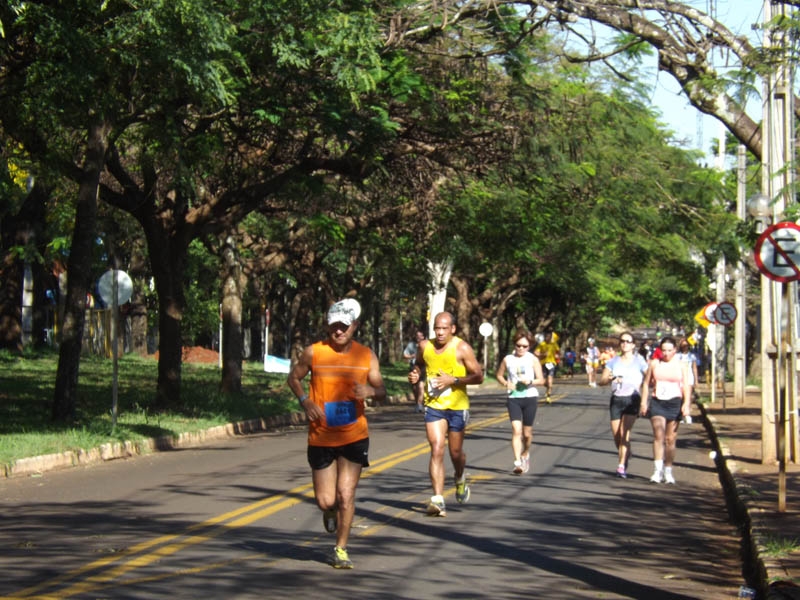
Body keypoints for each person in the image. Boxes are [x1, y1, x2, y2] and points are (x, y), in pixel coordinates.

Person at [286, 298, 386, 569]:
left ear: (355, 326)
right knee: (326, 500)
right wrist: (304, 401)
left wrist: (370, 392)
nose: (338, 331)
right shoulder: (314, 352)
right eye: (334, 326)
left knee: (346, 494)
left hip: (354, 434)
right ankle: (329, 511)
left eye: (344, 326)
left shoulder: (366, 355)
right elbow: (293, 377)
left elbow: (382, 392)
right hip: (321, 436)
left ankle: (341, 548)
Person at [408, 312, 484, 517]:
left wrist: (455, 380)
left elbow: (478, 376)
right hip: (434, 405)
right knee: (437, 448)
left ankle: (460, 478)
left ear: (453, 329)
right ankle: (438, 500)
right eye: (436, 328)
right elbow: (419, 365)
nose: (440, 332)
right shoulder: (425, 346)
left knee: (455, 453)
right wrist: (415, 374)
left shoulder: (462, 348)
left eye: (444, 328)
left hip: (458, 407)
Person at [639, 336, 692, 485]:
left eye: (669, 350)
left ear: (675, 350)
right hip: (658, 402)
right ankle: (657, 470)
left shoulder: (682, 365)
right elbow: (645, 384)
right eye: (664, 350)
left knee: (670, 439)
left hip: (674, 402)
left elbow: (686, 386)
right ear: (660, 350)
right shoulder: (655, 364)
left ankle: (668, 470)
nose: (666, 353)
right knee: (659, 434)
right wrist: (644, 402)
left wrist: (686, 404)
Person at [495, 331, 545, 474]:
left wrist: (530, 381)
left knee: (527, 433)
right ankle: (517, 462)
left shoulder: (533, 359)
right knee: (516, 431)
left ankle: (526, 452)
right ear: (514, 344)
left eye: (525, 346)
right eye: (519, 345)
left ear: (529, 346)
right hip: (514, 398)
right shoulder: (508, 359)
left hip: (530, 397)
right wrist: (505, 383)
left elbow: (541, 380)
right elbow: (499, 375)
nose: (521, 349)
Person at [599, 332, 648, 478]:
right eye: (622, 341)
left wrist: (646, 397)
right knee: (617, 436)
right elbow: (601, 381)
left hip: (632, 399)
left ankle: (621, 466)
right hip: (616, 399)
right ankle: (627, 452)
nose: (625, 343)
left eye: (628, 341)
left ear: (633, 345)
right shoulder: (613, 361)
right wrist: (609, 378)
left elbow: (649, 377)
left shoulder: (639, 361)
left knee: (624, 431)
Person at [676, 337, 700, 424]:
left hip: (689, 378)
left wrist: (696, 380)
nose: (684, 347)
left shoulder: (692, 356)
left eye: (686, 345)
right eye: (683, 346)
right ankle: (681, 414)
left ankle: (687, 414)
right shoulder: (677, 356)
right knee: (680, 397)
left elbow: (694, 368)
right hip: (679, 378)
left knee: (688, 396)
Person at [403, 330, 426, 412]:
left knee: (420, 384)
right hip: (413, 367)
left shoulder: (426, 345)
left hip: (422, 367)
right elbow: (405, 355)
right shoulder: (411, 345)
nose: (418, 337)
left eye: (420, 336)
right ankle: (417, 403)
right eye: (417, 336)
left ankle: (420, 404)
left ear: (423, 337)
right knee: (414, 387)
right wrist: (411, 356)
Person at [534, 330, 560, 402]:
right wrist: (542, 355)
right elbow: (536, 353)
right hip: (542, 364)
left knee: (550, 378)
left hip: (551, 363)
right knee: (542, 381)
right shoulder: (542, 344)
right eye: (546, 336)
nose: (547, 338)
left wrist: (557, 356)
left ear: (551, 337)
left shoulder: (554, 344)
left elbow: (558, 352)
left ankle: (548, 395)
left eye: (548, 336)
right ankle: (549, 386)